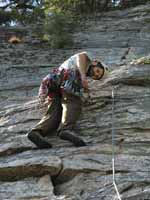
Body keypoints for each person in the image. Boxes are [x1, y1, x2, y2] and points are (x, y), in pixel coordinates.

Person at [27, 52, 105, 149]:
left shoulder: (81, 71)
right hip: (67, 76)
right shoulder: (87, 60)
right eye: (98, 71)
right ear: (95, 63)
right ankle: (66, 129)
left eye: (96, 77)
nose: (95, 74)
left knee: (55, 112)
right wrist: (83, 76)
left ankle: (37, 132)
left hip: (52, 81)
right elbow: (81, 56)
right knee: (74, 102)